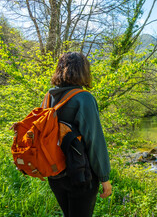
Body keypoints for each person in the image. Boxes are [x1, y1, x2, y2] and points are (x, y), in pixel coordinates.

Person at [47, 52, 112, 217]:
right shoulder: (83, 98)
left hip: (55, 174)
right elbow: (94, 141)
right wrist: (104, 177)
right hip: (80, 175)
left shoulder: (49, 97)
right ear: (84, 72)